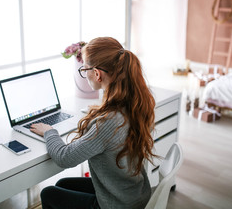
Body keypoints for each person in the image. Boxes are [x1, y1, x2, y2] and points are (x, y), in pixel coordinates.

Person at [30, 37, 156, 209]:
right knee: (63, 184)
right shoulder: (134, 102)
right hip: (134, 193)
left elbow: (64, 158)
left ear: (97, 74)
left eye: (84, 69)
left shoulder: (108, 122)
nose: (83, 72)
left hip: (117, 205)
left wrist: (49, 131)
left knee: (48, 194)